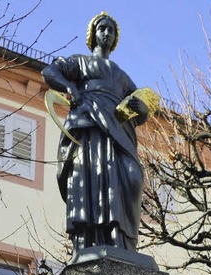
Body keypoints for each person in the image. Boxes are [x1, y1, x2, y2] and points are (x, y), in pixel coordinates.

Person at [42, 12, 152, 257]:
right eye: (102, 29)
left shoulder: (121, 76)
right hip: (88, 126)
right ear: (93, 34)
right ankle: (88, 242)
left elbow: (140, 108)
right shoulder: (80, 63)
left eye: (111, 30)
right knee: (90, 180)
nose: (106, 33)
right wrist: (70, 87)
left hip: (118, 133)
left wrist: (140, 108)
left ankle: (123, 243)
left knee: (132, 179)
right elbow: (50, 72)